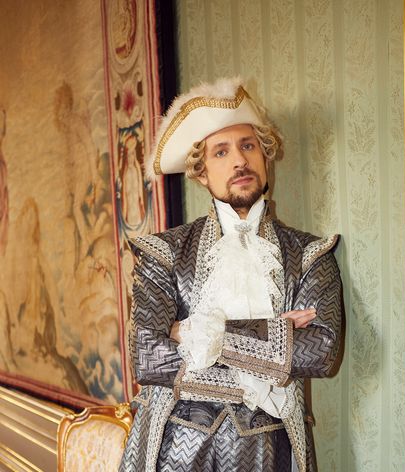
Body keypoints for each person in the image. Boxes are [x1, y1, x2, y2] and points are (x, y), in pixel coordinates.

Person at [119, 77, 344, 472]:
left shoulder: (311, 254)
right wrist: (274, 338)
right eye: (221, 152)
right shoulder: (163, 253)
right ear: (201, 172)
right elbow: (148, 357)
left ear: (265, 156)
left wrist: (193, 332)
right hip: (176, 451)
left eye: (248, 146)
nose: (239, 160)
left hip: (272, 451)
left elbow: (321, 352)